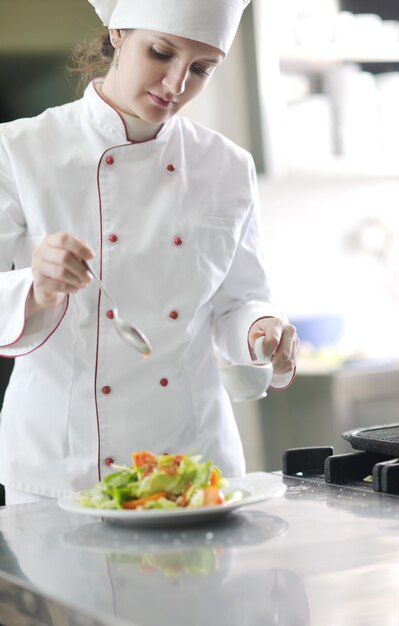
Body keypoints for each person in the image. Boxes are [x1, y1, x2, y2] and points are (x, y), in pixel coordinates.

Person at [0, 0, 299, 504]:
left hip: (194, 462)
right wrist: (36, 286)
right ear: (118, 33)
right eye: (161, 53)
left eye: (202, 69)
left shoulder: (226, 166)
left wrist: (258, 329)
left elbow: (238, 299)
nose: (177, 84)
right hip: (62, 468)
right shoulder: (19, 150)